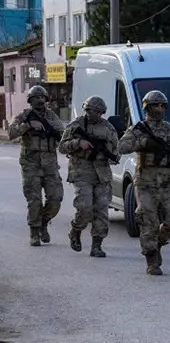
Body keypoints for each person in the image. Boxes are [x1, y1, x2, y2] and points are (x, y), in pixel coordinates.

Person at [118, 90, 170, 275]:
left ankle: (157, 241)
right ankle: (152, 260)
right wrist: (141, 143)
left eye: (162, 106)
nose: (159, 109)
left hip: (167, 184)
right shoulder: (138, 129)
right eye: (155, 105)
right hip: (145, 184)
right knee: (147, 219)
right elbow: (121, 147)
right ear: (147, 107)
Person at [58, 96, 120, 257]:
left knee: (101, 210)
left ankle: (97, 245)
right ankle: (76, 230)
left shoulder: (108, 128)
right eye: (93, 111)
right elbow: (62, 147)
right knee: (84, 207)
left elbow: (116, 151)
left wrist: (109, 154)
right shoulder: (76, 125)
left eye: (100, 112)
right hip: (81, 172)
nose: (96, 115)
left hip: (102, 174)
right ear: (87, 110)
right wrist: (78, 143)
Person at [8, 85, 65, 246]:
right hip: (30, 164)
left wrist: (46, 126)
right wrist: (28, 125)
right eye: (36, 98)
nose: (40, 101)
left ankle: (44, 222)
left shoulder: (51, 116)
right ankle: (34, 231)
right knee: (34, 200)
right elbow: (11, 133)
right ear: (30, 101)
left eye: (42, 98)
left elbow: (62, 134)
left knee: (56, 198)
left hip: (50, 165)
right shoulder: (24, 116)